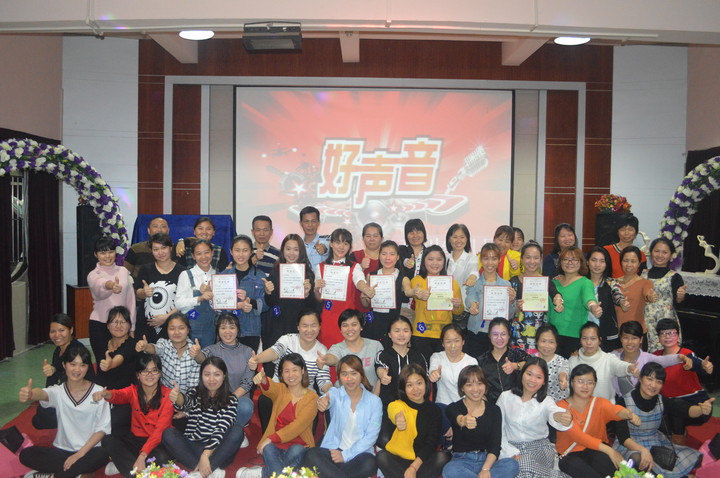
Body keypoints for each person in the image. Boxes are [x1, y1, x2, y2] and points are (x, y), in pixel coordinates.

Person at [19, 344, 111, 478]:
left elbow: (102, 429)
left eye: (82, 365)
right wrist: (31, 394)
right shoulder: (59, 391)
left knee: (102, 454)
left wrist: (79, 454)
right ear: (64, 365)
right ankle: (75, 473)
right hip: (62, 451)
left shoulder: (98, 392)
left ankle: (54, 475)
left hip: (88, 451)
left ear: (88, 367)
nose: (77, 369)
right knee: (26, 454)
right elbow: (43, 394)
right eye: (72, 364)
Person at [613, 362, 711, 478]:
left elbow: (686, 411)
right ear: (640, 378)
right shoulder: (623, 401)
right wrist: (642, 450)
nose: (653, 385)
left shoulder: (661, 400)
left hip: (655, 441)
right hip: (630, 445)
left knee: (696, 458)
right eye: (650, 379)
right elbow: (623, 438)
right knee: (638, 460)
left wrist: (701, 409)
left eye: (659, 382)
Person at [556, 364, 646, 478]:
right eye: (580, 381)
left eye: (590, 382)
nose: (585, 386)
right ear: (572, 383)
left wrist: (628, 414)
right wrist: (609, 450)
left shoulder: (599, 403)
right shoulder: (560, 407)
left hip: (596, 451)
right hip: (570, 454)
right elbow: (578, 436)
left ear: (595, 385)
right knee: (570, 464)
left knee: (612, 468)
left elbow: (615, 411)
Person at [238, 354, 319, 478]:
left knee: (296, 450)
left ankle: (262, 473)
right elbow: (270, 387)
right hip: (275, 444)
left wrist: (270, 439)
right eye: (286, 371)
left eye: (295, 370)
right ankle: (278, 473)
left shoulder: (312, 398)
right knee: (268, 449)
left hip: (299, 443)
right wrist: (263, 379)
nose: (291, 375)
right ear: (281, 374)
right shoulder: (281, 389)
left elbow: (297, 426)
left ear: (303, 371)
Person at [250, 310, 332, 432]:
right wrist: (257, 359)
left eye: (313, 325)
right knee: (265, 400)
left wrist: (331, 393)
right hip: (280, 389)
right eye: (305, 325)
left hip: (304, 393)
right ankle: (268, 436)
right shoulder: (287, 340)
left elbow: (323, 380)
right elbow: (274, 351)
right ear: (298, 327)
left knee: (312, 406)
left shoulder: (322, 351)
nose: (309, 330)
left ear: (319, 327)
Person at [303, 355, 383, 478]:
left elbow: (371, 436)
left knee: (370, 464)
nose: (349, 379)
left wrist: (345, 455)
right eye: (344, 374)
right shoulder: (336, 393)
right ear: (339, 377)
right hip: (334, 450)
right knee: (311, 454)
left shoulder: (374, 401)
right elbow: (327, 398)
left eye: (354, 373)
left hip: (359, 454)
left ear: (361, 375)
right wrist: (323, 402)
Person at [163, 356, 242, 478]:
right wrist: (177, 397)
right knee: (168, 434)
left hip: (218, 450)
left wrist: (205, 455)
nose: (211, 379)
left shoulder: (231, 399)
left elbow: (221, 429)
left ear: (224, 376)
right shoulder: (194, 392)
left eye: (217, 374)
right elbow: (186, 403)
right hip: (194, 446)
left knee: (237, 431)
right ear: (201, 376)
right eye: (207, 374)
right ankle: (210, 470)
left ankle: (202, 471)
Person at [97, 353, 174, 477]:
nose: (149, 375)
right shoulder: (134, 391)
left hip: (156, 443)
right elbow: (119, 395)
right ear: (138, 375)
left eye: (154, 370)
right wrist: (107, 394)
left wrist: (142, 455)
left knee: (163, 458)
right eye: (144, 371)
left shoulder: (168, 395)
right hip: (135, 440)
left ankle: (128, 466)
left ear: (160, 373)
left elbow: (160, 431)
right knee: (108, 441)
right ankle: (138, 471)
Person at [495, 357, 572, 478]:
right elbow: (498, 430)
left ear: (544, 381)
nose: (532, 380)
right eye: (529, 374)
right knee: (520, 473)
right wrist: (510, 453)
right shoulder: (505, 397)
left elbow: (553, 411)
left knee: (520, 465)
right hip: (511, 447)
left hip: (540, 448)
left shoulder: (546, 401)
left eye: (538, 377)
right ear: (522, 374)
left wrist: (559, 416)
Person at [443, 365, 520, 478]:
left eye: (479, 383)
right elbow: (456, 417)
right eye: (469, 385)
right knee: (450, 470)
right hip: (462, 461)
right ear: (462, 388)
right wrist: (464, 420)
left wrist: (485, 469)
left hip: (487, 461)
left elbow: (495, 446)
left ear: (485, 385)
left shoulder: (494, 410)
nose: (475, 389)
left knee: (512, 465)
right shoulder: (454, 407)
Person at [376, 363, 450, 478]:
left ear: (426, 383)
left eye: (419, 383)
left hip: (421, 460)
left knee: (443, 457)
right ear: (403, 388)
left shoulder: (434, 410)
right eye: (409, 385)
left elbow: (431, 444)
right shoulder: (398, 404)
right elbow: (394, 411)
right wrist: (398, 418)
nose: (415, 389)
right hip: (398, 458)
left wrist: (413, 467)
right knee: (382, 456)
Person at [190, 313, 256, 438]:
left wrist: (229, 400)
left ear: (238, 329)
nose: (227, 332)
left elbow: (247, 383)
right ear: (218, 330)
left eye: (232, 327)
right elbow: (201, 359)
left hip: (238, 398)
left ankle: (236, 430)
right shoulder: (212, 349)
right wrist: (197, 353)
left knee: (246, 407)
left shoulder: (248, 351)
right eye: (223, 327)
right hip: (216, 397)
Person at [262, 233, 316, 377]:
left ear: (301, 252)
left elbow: (313, 307)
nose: (291, 253)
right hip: (278, 324)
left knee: (296, 365)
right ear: (283, 251)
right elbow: (271, 302)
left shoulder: (308, 274)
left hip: (298, 325)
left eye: (296, 249)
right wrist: (268, 292)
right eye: (288, 249)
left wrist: (308, 293)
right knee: (276, 365)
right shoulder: (275, 272)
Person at [652, 318, 714, 441]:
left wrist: (706, 367)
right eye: (663, 333)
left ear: (678, 336)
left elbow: (698, 364)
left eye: (671, 333)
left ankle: (678, 439)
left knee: (675, 405)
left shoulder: (687, 354)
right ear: (658, 338)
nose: (667, 336)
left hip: (695, 404)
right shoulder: (655, 356)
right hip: (668, 405)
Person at [33, 313, 96, 430]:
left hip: (81, 397)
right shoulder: (58, 350)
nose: (57, 335)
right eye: (53, 331)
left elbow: (76, 378)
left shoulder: (76, 350)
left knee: (40, 418)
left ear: (71, 330)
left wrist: (54, 368)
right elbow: (53, 380)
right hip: (66, 393)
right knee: (40, 415)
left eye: (61, 330)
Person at [314, 228, 374, 346]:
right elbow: (319, 298)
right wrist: (316, 289)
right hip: (328, 318)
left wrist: (366, 289)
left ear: (349, 246)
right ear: (331, 244)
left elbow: (359, 281)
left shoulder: (355, 266)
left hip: (348, 319)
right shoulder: (320, 267)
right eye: (338, 242)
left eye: (345, 243)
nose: (341, 247)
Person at [409, 244, 464, 362]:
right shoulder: (417, 281)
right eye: (430, 259)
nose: (435, 263)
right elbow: (411, 293)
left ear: (444, 262)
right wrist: (418, 294)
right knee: (421, 369)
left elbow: (459, 311)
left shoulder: (452, 283)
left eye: (439, 259)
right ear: (424, 261)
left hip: (445, 336)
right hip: (421, 334)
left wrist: (457, 305)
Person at [88, 235, 136, 364]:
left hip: (122, 325)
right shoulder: (93, 275)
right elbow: (99, 290)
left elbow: (131, 301)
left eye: (110, 252)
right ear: (96, 254)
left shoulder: (124, 271)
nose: (107, 256)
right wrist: (110, 286)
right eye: (103, 253)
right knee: (103, 362)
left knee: (124, 361)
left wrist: (132, 326)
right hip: (100, 324)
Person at [547, 246, 602, 358]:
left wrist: (593, 307)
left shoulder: (585, 283)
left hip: (573, 337)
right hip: (551, 337)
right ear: (560, 262)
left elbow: (588, 298)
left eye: (574, 259)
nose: (570, 262)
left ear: (581, 262)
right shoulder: (553, 282)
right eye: (565, 259)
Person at [612, 320, 690, 398]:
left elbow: (663, 360)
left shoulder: (646, 358)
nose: (630, 342)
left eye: (634, 338)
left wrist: (681, 357)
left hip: (640, 402)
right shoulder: (613, 356)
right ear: (621, 338)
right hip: (616, 402)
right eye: (626, 338)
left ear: (641, 340)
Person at [510, 241, 564, 353]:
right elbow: (506, 310)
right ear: (522, 259)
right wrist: (516, 306)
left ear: (540, 259)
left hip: (541, 335)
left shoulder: (545, 281)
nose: (532, 261)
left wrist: (558, 301)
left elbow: (556, 294)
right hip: (518, 334)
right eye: (528, 257)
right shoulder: (513, 282)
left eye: (536, 258)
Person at [429, 324, 478, 440]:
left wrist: (457, 421)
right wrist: (434, 374)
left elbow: (474, 392)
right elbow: (433, 369)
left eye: (456, 341)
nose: (453, 346)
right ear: (442, 343)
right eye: (448, 341)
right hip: (442, 408)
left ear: (463, 342)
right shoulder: (437, 357)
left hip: (464, 408)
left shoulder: (471, 362)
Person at [217, 234, 266, 351]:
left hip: (251, 330)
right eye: (237, 250)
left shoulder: (260, 276)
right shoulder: (223, 276)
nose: (241, 254)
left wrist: (252, 303)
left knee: (250, 361)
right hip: (227, 330)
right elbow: (218, 305)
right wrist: (237, 306)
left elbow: (267, 304)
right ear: (231, 252)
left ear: (251, 252)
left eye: (245, 250)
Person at [466, 243, 516, 356]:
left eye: (494, 259)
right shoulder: (474, 283)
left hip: (498, 335)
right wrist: (472, 305)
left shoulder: (506, 284)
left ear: (499, 260)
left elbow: (511, 314)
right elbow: (470, 297)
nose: (490, 263)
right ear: (481, 260)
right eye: (486, 258)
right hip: (477, 332)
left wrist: (512, 301)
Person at [568, 322, 636, 403]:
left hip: (605, 408)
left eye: (593, 338)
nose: (588, 342)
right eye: (585, 338)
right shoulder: (573, 360)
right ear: (580, 340)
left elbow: (619, 366)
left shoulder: (608, 358)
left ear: (599, 340)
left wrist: (629, 367)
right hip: (579, 407)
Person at [360, 240, 413, 343]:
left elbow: (408, 292)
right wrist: (364, 297)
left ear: (398, 257)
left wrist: (414, 292)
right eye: (384, 254)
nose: (387, 258)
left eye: (392, 254)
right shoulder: (371, 276)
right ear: (379, 256)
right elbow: (365, 305)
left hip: (393, 325)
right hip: (373, 323)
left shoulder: (403, 278)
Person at [135, 232, 184, 343]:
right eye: (156, 249)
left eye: (164, 248)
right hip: (146, 325)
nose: (160, 252)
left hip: (172, 326)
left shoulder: (182, 272)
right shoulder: (145, 269)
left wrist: (166, 317)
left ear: (171, 248)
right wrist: (144, 292)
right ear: (151, 251)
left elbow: (184, 300)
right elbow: (137, 292)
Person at [136, 312, 200, 395]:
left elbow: (193, 386)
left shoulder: (195, 350)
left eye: (181, 328)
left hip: (187, 399)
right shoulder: (164, 344)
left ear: (188, 330)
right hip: (164, 397)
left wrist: (181, 400)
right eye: (172, 328)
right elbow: (156, 349)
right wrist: (146, 347)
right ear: (167, 330)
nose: (176, 332)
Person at [641, 237, 686, 352]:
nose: (660, 255)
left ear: (671, 256)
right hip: (645, 322)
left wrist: (680, 296)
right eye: (657, 251)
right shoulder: (643, 273)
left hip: (665, 323)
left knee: (665, 355)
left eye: (664, 252)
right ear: (651, 253)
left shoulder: (674, 277)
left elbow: (679, 302)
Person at [320, 309, 384, 387]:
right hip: (344, 394)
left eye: (354, 324)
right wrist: (325, 359)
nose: (350, 329)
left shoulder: (375, 345)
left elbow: (382, 369)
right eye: (345, 325)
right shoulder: (337, 348)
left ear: (361, 327)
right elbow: (332, 358)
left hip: (371, 393)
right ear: (340, 329)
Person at [375, 316, 429, 409]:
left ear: (411, 333)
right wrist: (382, 375)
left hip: (415, 407)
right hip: (389, 407)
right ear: (389, 334)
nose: (401, 334)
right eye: (397, 331)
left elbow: (425, 380)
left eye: (405, 331)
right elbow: (380, 368)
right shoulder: (383, 355)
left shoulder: (418, 356)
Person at [175, 239, 218, 348]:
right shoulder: (186, 275)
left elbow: (222, 307)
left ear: (212, 253)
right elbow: (178, 304)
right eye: (199, 254)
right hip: (190, 329)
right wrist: (200, 298)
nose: (203, 257)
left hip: (212, 330)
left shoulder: (218, 276)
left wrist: (212, 297)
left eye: (207, 252)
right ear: (193, 256)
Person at [476, 317, 529, 404]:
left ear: (509, 335)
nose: (499, 338)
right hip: (492, 405)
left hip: (517, 404)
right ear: (489, 335)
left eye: (503, 334)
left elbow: (533, 364)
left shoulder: (517, 355)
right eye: (495, 334)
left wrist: (516, 366)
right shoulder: (481, 361)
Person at [585, 246, 624, 351]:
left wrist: (622, 301)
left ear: (607, 264)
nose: (597, 265)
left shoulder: (611, 282)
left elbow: (617, 294)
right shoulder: (581, 282)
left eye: (602, 261)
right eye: (594, 260)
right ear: (587, 262)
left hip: (606, 333)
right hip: (584, 332)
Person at [614, 246, 656, 338]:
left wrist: (650, 296)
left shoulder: (645, 283)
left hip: (635, 334)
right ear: (621, 262)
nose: (629, 264)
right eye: (625, 261)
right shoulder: (613, 282)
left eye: (633, 261)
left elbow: (648, 294)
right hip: (615, 333)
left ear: (639, 263)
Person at [445, 223, 479, 320]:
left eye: (462, 237)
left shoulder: (472, 259)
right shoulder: (445, 259)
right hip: (445, 309)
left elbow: (473, 270)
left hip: (463, 311)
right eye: (455, 237)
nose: (458, 240)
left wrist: (472, 277)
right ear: (449, 239)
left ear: (467, 239)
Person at [603, 214, 646, 279]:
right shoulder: (606, 251)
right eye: (622, 229)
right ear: (617, 232)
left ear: (636, 232)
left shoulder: (641, 255)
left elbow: (642, 278)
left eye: (630, 230)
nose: (626, 233)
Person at [533, 323, 569, 402]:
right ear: (537, 342)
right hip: (536, 405)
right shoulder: (531, 360)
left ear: (556, 344)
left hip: (558, 405)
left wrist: (562, 379)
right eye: (543, 341)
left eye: (551, 342)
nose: (547, 346)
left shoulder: (562, 361)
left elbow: (563, 371)